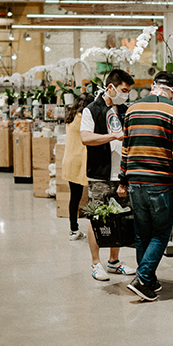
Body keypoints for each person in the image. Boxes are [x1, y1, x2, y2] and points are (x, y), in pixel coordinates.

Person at [119, 71, 173, 301]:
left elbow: (125, 148)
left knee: (142, 234)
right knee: (161, 234)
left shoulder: (132, 109)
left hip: (134, 181)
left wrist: (122, 179)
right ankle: (142, 277)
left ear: (152, 86)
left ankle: (149, 281)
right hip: (159, 182)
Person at [80, 69, 137, 281]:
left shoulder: (125, 110)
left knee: (119, 218)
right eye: (123, 90)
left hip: (122, 174)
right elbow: (85, 138)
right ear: (111, 87)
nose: (126, 94)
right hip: (100, 173)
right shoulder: (91, 110)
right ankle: (96, 263)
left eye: (129, 91)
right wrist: (112, 136)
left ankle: (114, 261)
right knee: (97, 218)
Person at [61, 93, 95, 241]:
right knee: (93, 197)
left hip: (69, 161)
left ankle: (73, 230)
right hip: (83, 161)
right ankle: (96, 229)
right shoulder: (85, 119)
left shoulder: (71, 118)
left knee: (74, 197)